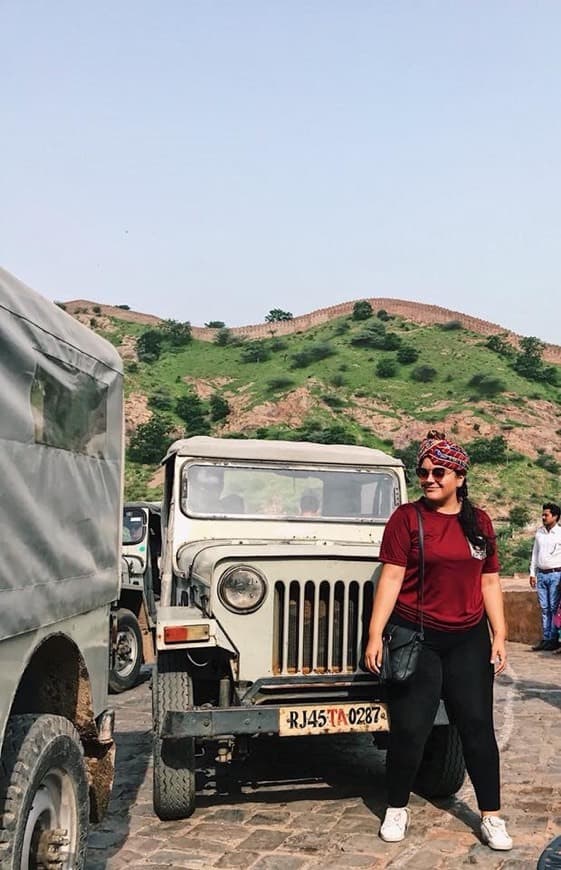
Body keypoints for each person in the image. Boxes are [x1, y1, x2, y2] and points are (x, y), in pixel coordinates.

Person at [364, 430, 512, 851]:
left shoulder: (479, 522)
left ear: (459, 477)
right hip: (418, 638)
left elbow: (489, 579)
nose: (428, 479)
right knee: (411, 729)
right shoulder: (406, 519)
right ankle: (396, 807)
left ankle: (491, 817)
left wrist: (499, 632)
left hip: (468, 639)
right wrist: (376, 634)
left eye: (438, 472)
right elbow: (391, 579)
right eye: (423, 472)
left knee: (478, 729)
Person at [529, 502, 561, 651]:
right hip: (542, 574)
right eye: (543, 514)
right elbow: (535, 554)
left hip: (556, 574)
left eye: (546, 515)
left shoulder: (560, 534)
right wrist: (532, 573)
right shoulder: (540, 533)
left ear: (555, 516)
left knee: (554, 608)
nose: (543, 517)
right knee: (544, 608)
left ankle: (553, 639)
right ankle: (546, 638)